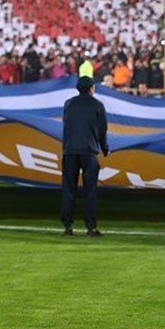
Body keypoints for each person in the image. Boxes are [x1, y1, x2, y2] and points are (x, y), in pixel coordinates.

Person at [61, 76, 110, 237]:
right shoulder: (97, 105)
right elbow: (102, 130)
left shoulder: (68, 104)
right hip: (89, 152)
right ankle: (91, 227)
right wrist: (104, 149)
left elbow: (66, 127)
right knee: (90, 191)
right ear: (91, 88)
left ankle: (67, 226)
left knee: (69, 189)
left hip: (70, 151)